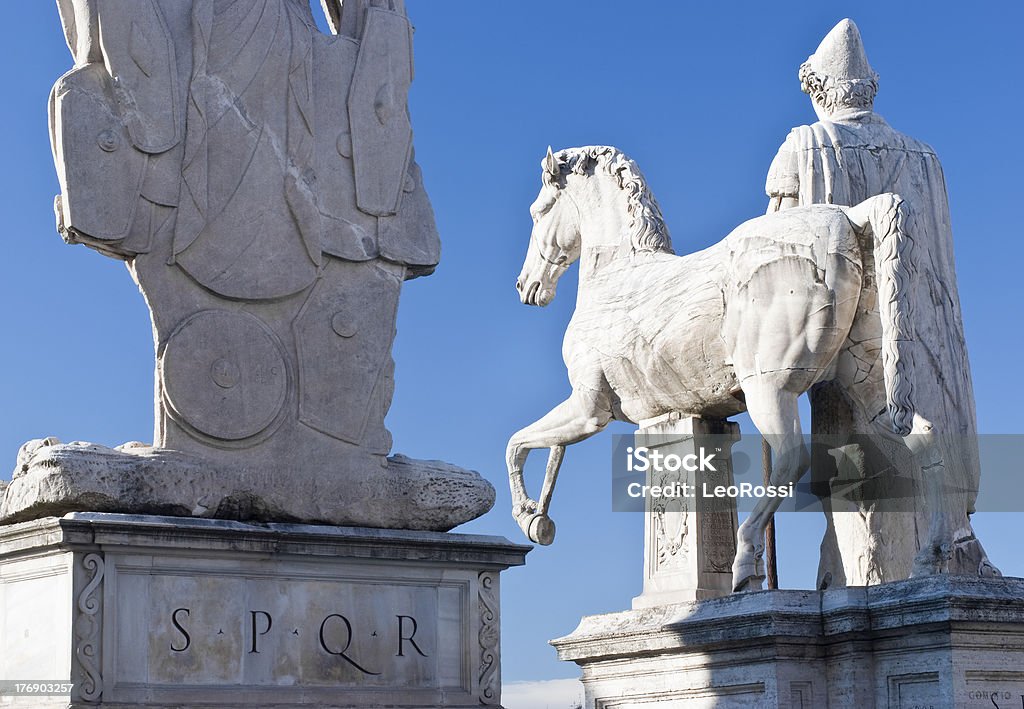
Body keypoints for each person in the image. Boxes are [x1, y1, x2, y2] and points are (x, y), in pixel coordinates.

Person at [765, 19, 998, 585]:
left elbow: (769, 259)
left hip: (845, 346)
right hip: (924, 341)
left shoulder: (805, 145)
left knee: (857, 495)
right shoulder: (925, 158)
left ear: (819, 90)